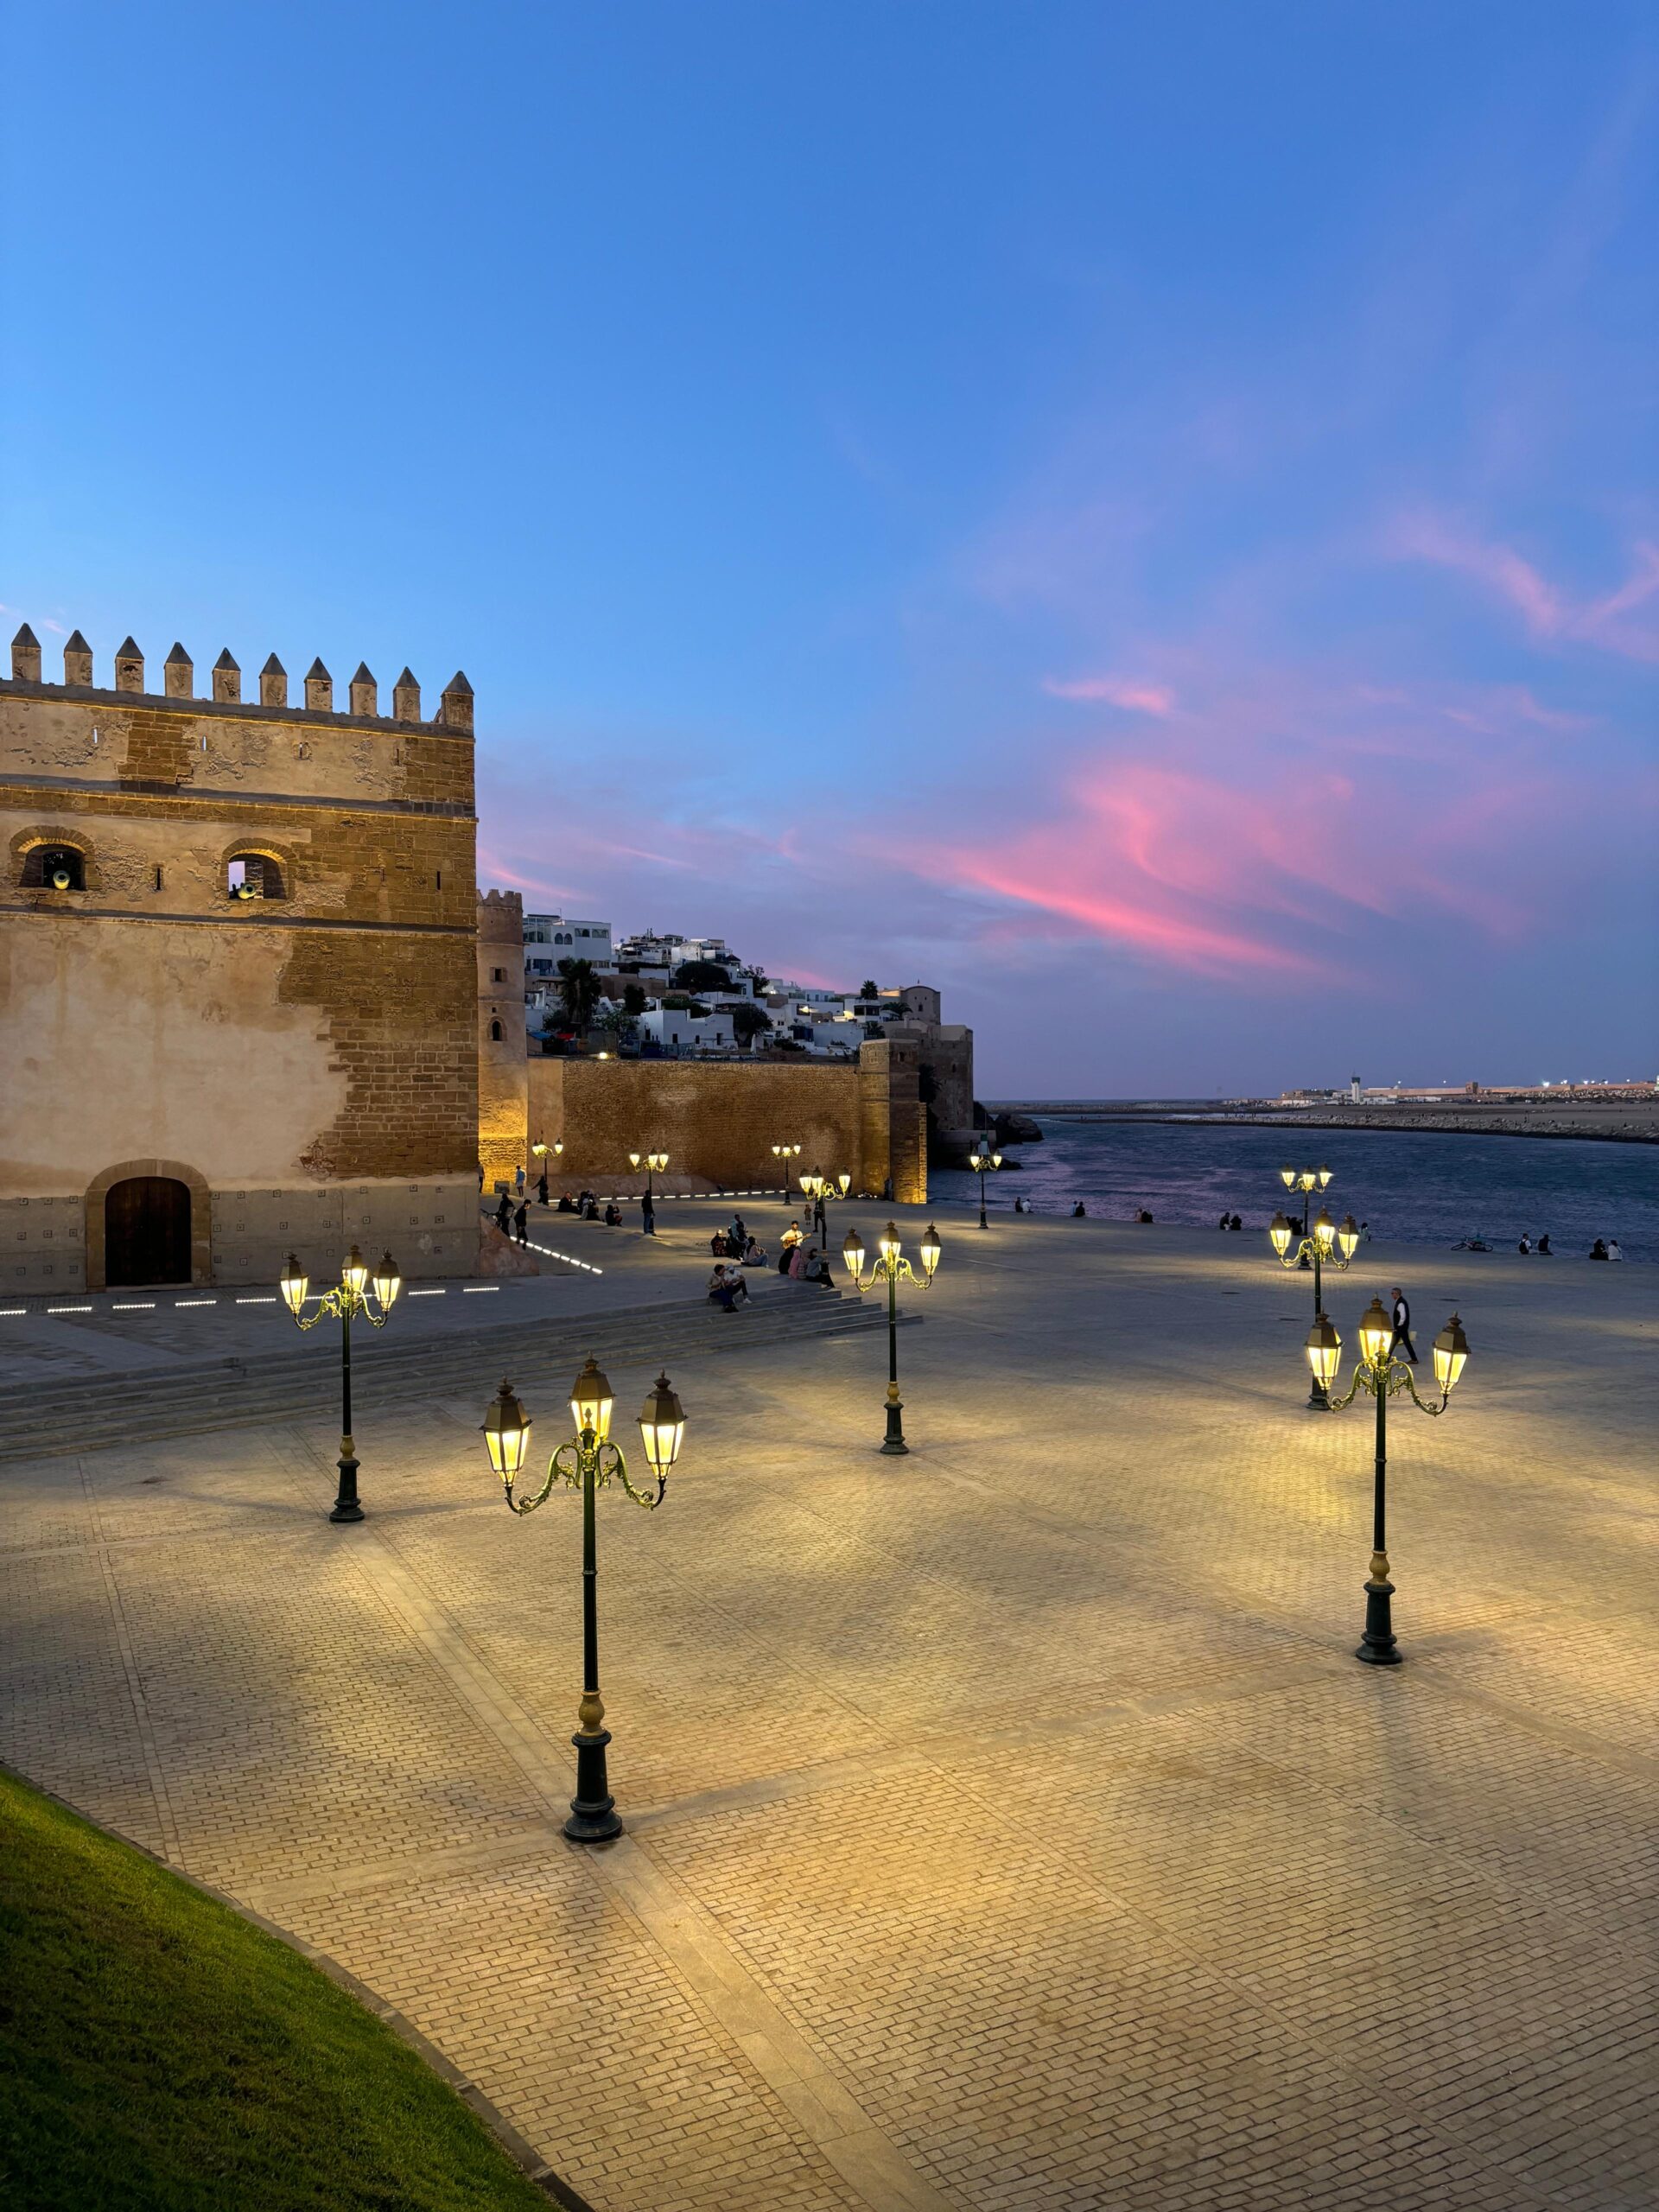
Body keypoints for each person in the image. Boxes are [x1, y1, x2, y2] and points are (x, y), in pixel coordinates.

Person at [1389, 1287, 1417, 1365]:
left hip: (1401, 1328)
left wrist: (1399, 1325)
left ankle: (1387, 1359)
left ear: (1397, 1294)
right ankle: (1414, 1359)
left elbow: (1403, 1316)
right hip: (1401, 1328)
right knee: (1400, 1342)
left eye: (1393, 1293)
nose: (1392, 1295)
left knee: (1395, 1343)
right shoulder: (1400, 1301)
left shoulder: (1400, 1303)